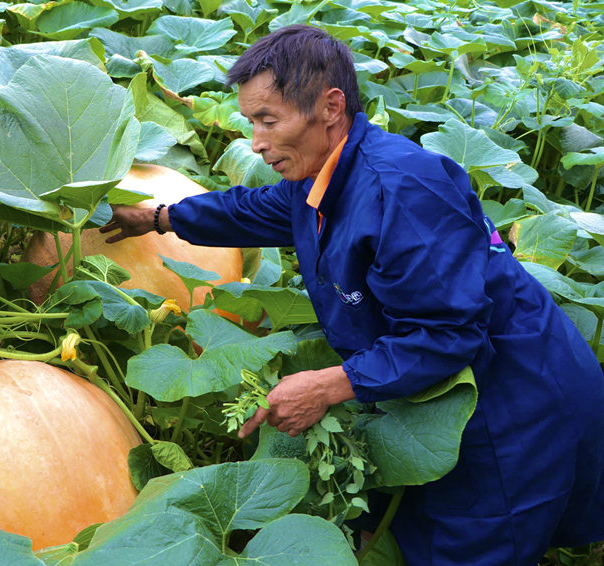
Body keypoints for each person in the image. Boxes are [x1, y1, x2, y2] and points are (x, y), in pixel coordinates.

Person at [100, 24, 604, 565]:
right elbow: (251, 210)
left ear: (330, 106)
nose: (256, 142)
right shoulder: (323, 177)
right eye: (251, 122)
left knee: (479, 534)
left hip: (511, 401)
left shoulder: (401, 190)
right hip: (439, 394)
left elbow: (448, 332)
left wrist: (329, 385)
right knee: (412, 525)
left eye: (268, 121)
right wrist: (156, 216)